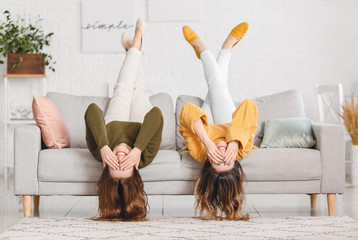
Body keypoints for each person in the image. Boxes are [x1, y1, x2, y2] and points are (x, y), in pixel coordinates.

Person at [85, 18, 163, 221]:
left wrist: (103, 146)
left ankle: (135, 43)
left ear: (106, 166)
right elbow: (156, 115)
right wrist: (137, 149)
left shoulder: (99, 152)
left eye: (115, 166)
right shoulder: (144, 156)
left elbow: (92, 110)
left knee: (124, 86)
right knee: (139, 91)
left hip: (114, 122)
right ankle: (134, 47)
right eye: (125, 166)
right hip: (140, 121)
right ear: (136, 167)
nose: (120, 159)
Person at [179, 22, 259, 220]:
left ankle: (210, 48)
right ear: (235, 163)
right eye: (228, 162)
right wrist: (234, 141)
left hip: (206, 124)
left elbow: (188, 111)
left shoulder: (200, 152)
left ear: (208, 164)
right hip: (226, 122)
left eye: (217, 161)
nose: (222, 155)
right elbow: (249, 106)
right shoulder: (241, 149)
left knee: (216, 85)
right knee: (217, 84)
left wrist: (207, 142)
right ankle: (216, 47)